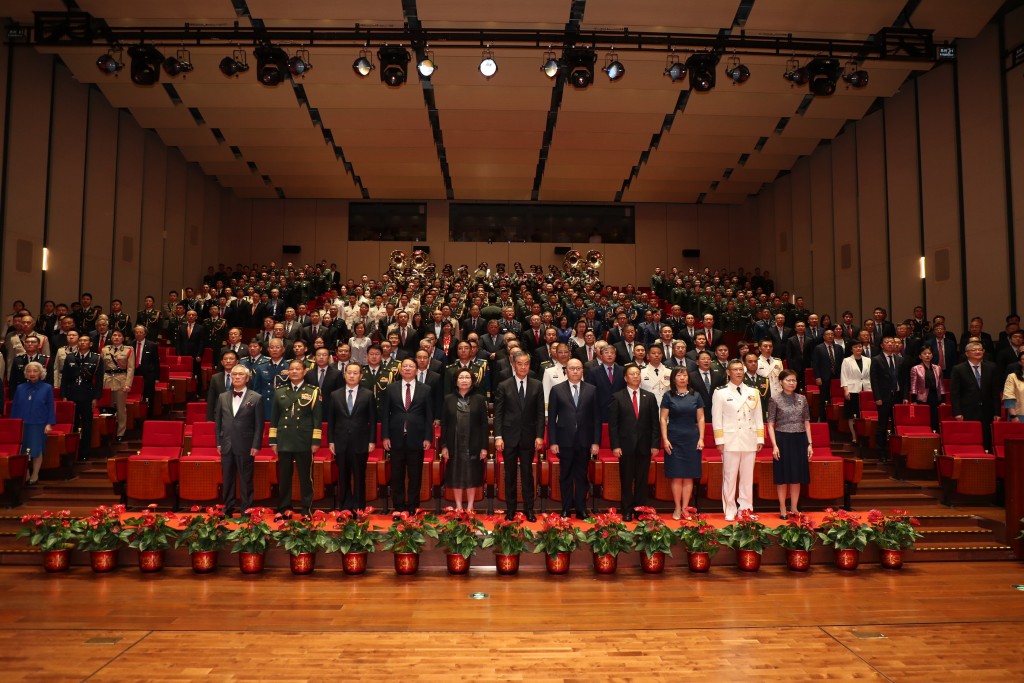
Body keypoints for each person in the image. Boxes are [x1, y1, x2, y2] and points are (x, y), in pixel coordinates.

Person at [493, 351, 544, 522]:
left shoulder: (537, 385)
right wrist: (498, 436)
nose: (523, 367)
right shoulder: (504, 385)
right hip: (508, 437)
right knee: (510, 474)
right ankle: (511, 509)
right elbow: (498, 414)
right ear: (513, 365)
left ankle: (529, 509)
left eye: (526, 364)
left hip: (529, 437)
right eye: (519, 364)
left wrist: (539, 436)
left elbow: (539, 414)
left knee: (527, 474)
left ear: (529, 366)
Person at [547, 358, 601, 519]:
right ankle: (565, 508)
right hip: (564, 441)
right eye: (572, 368)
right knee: (565, 476)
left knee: (582, 476)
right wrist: (553, 441)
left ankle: (581, 508)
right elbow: (551, 419)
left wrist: (596, 442)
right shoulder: (557, 390)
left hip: (585, 441)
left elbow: (597, 418)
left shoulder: (592, 390)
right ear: (566, 371)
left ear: (582, 370)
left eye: (578, 368)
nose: (575, 371)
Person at [712, 360, 764, 521]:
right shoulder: (720, 392)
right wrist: (719, 440)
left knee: (747, 478)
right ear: (728, 372)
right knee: (730, 476)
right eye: (735, 370)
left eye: (741, 369)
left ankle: (746, 508)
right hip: (730, 439)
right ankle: (730, 508)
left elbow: (758, 416)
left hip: (749, 438)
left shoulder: (753, 391)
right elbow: (716, 418)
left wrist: (760, 437)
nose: (739, 372)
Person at [381, 358, 434, 515]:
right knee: (396, 475)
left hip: (417, 438)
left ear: (417, 370)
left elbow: (428, 415)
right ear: (400, 369)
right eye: (405, 366)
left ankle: (413, 507)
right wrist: (385, 437)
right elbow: (385, 415)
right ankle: (398, 507)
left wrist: (427, 437)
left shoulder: (425, 389)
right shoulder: (391, 388)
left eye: (411, 366)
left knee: (415, 475)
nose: (408, 369)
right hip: (396, 437)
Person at [269, 360, 322, 515]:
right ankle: (284, 508)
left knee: (306, 477)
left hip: (304, 440)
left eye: (298, 369)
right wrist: (273, 440)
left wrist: (315, 441)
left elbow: (317, 419)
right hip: (284, 439)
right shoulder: (280, 391)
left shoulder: (313, 391)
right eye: (291, 369)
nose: (294, 372)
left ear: (304, 372)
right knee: (284, 477)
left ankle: (307, 509)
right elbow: (274, 417)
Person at [608, 365, 660, 520]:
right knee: (626, 479)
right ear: (625, 378)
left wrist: (655, 444)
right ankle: (627, 511)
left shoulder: (649, 397)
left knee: (642, 481)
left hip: (645, 446)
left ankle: (641, 510)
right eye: (632, 374)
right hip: (625, 447)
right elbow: (613, 425)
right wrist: (615, 445)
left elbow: (654, 424)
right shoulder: (617, 397)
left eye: (638, 374)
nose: (636, 376)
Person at [214, 365, 264, 515]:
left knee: (245, 480)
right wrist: (218, 442)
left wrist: (256, 445)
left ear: (247, 378)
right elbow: (218, 422)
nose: (236, 377)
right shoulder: (222, 396)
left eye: (240, 374)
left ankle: (246, 510)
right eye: (234, 374)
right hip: (227, 444)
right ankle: (227, 508)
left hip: (246, 445)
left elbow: (259, 425)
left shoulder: (256, 397)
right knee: (227, 479)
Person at [328, 362, 377, 512]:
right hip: (340, 442)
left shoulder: (368, 394)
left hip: (360, 442)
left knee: (359, 477)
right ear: (344, 375)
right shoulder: (335, 394)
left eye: (355, 373)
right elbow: (331, 420)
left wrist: (372, 440)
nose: (352, 375)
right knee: (343, 476)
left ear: (361, 376)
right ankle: (344, 507)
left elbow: (373, 420)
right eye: (349, 372)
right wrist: (331, 441)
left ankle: (358, 507)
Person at [439, 369, 488, 511]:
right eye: (461, 377)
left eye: (467, 377)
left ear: (472, 381)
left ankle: (470, 506)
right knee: (456, 476)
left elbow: (484, 425)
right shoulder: (448, 399)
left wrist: (484, 447)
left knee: (472, 475)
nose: (464, 380)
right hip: (454, 444)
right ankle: (459, 507)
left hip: (473, 444)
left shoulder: (479, 399)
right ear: (456, 381)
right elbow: (445, 424)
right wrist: (444, 445)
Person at [766, 369, 812, 519]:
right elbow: (770, 423)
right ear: (781, 382)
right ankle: (782, 508)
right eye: (788, 380)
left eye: (794, 380)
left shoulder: (802, 399)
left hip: (800, 440)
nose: (792, 383)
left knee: (796, 477)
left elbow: (806, 422)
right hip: (782, 440)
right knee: (783, 477)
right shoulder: (775, 399)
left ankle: (794, 507)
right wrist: (774, 445)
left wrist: (810, 444)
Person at [659, 367, 704, 520]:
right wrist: (665, 439)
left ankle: (686, 508)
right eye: (679, 375)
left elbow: (701, 419)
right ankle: (677, 508)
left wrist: (701, 438)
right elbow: (663, 419)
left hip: (692, 439)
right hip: (674, 439)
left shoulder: (696, 396)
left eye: (685, 375)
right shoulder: (668, 396)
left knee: (689, 476)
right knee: (677, 475)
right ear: (673, 379)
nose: (682, 378)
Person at [10, 361, 56, 486]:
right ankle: (26, 475)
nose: (32, 373)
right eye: (29, 371)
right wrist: (13, 424)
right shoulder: (20, 388)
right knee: (23, 450)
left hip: (39, 423)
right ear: (26, 373)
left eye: (35, 371)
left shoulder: (47, 388)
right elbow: (15, 406)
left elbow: (51, 406)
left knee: (37, 449)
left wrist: (49, 423)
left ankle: (35, 474)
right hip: (22, 423)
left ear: (41, 373)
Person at [950, 341, 1001, 451]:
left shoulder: (991, 367)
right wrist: (957, 412)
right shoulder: (958, 369)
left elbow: (995, 392)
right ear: (967, 353)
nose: (978, 351)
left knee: (987, 438)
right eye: (974, 350)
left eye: (980, 349)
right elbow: (955, 393)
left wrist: (997, 412)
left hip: (988, 410)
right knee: (970, 438)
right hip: (967, 410)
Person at [870, 336, 907, 459]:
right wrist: (877, 397)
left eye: (892, 342)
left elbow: (904, 380)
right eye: (887, 342)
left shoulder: (899, 359)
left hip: (897, 396)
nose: (891, 344)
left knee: (897, 425)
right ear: (881, 345)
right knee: (882, 425)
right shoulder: (876, 359)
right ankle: (881, 451)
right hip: (884, 397)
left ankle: (896, 451)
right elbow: (874, 380)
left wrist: (905, 396)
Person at [101, 329, 134, 442]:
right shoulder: (105, 350)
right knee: (107, 408)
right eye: (114, 335)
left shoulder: (128, 350)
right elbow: (102, 368)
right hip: (107, 381)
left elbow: (130, 368)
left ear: (123, 338)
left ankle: (120, 432)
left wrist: (128, 384)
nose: (116, 337)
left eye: (119, 336)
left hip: (121, 381)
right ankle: (107, 431)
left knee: (120, 409)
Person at [811, 329, 844, 422]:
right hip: (824, 377)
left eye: (832, 334)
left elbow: (842, 363)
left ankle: (835, 418)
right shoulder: (818, 348)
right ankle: (822, 417)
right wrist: (817, 377)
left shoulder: (839, 348)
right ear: (824, 337)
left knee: (835, 397)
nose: (830, 336)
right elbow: (815, 364)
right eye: (828, 334)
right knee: (823, 398)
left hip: (837, 377)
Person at [909, 346, 945, 432]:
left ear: (932, 355)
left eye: (929, 353)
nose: (927, 355)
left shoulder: (937, 368)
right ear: (920, 356)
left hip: (935, 396)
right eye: (925, 354)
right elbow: (913, 385)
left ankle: (935, 434)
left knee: (935, 418)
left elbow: (941, 385)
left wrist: (943, 400)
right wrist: (914, 400)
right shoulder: (916, 368)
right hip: (922, 397)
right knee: (923, 418)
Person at [131, 324, 160, 418]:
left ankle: (148, 416)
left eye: (141, 332)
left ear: (145, 334)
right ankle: (135, 416)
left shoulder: (152, 345)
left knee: (148, 396)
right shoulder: (130, 344)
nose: (138, 334)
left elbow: (156, 362)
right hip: (134, 373)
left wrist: (157, 377)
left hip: (148, 374)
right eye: (136, 332)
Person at [1002, 351, 1024, 422]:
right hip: (1019, 416)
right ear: (1020, 362)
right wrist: (1013, 416)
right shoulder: (1012, 377)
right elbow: (1008, 396)